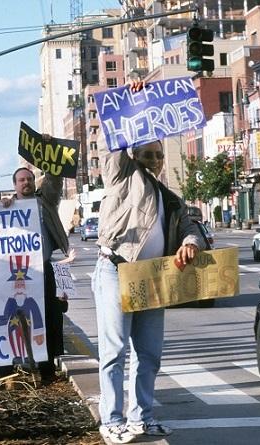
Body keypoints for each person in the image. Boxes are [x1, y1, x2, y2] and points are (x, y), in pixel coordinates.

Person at [92, 133, 207, 443]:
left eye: (158, 155)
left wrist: (190, 242)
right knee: (114, 351)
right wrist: (129, 115)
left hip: (151, 278)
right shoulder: (122, 175)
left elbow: (190, 227)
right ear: (134, 156)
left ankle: (141, 418)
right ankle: (112, 420)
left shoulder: (169, 197)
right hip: (116, 270)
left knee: (149, 354)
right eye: (147, 155)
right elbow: (112, 147)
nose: (154, 161)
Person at [0, 166, 72, 383]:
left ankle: (47, 371)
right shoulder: (6, 207)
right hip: (15, 272)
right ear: (15, 184)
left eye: (29, 179)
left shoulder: (44, 203)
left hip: (43, 268)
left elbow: (55, 183)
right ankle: (8, 372)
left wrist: (49, 163)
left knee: (48, 319)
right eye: (21, 180)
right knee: (12, 319)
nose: (26, 183)